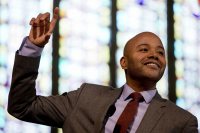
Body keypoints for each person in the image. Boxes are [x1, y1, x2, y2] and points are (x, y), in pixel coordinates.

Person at [8, 7, 198, 133]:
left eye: (160, 52)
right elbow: (22, 106)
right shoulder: (85, 97)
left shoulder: (181, 122)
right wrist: (32, 48)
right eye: (144, 49)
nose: (154, 55)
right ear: (124, 62)